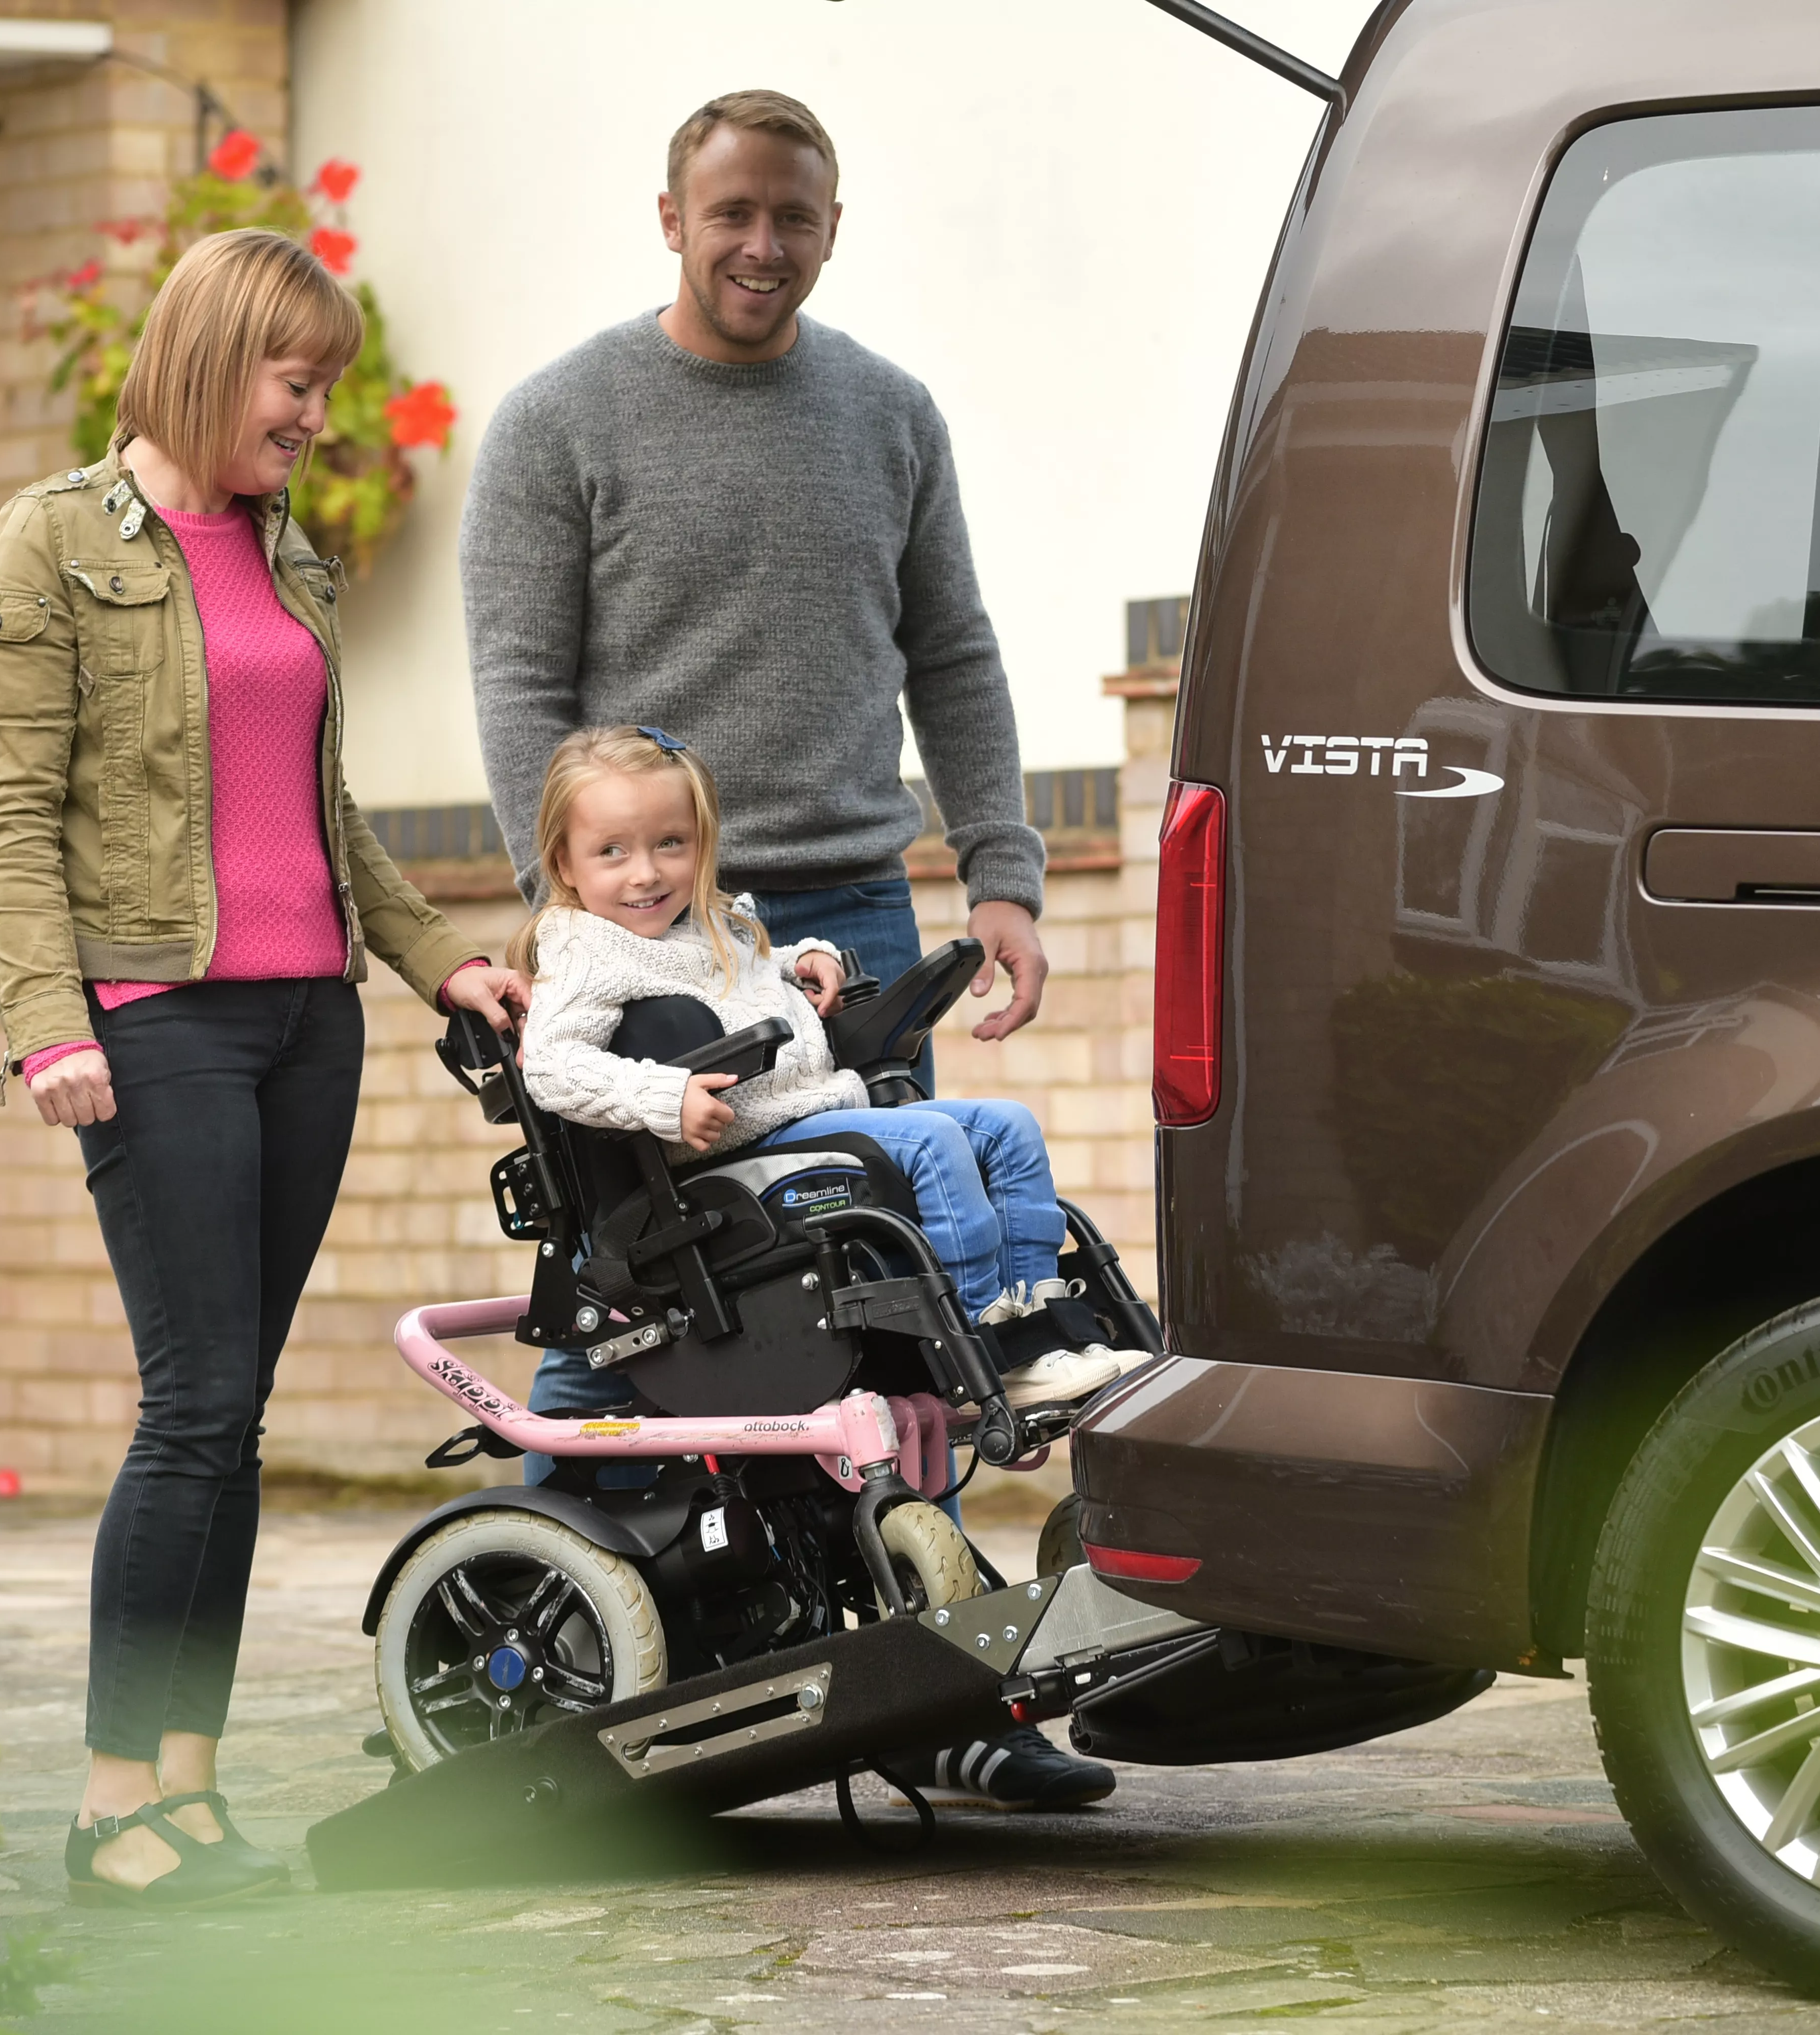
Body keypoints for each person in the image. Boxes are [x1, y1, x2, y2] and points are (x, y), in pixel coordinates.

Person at [462, 89, 1108, 1808]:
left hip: (843, 914)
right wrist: (570, 913)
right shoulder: (561, 423)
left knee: (891, 1308)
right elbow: (522, 694)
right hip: (646, 929)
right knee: (642, 1268)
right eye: (732, 212)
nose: (762, 246)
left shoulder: (885, 414)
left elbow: (953, 653)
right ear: (669, 215)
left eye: (795, 220)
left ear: (831, 227)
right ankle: (548, 1596)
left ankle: (939, 1683)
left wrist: (1003, 874)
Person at [0, 228, 529, 1907]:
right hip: (161, 1020)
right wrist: (47, 1021)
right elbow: (13, 815)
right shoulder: (54, 543)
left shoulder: (288, 554)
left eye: (331, 389)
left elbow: (322, 806)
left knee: (236, 1414)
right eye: (299, 383)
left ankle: (190, 1789)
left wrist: (440, 955)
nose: (316, 418)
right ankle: (106, 1800)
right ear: (217, 357)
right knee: (193, 1403)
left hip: (307, 1022)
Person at [513, 727, 1148, 1407]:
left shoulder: (700, 921)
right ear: (564, 863)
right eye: (613, 852)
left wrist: (802, 957)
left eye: (671, 843)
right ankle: (985, 1342)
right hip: (738, 1158)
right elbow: (551, 1065)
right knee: (934, 1145)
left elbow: (733, 968)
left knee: (1007, 1125)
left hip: (809, 1116)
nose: (647, 872)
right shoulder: (586, 952)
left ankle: (1041, 1321)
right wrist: (665, 1096)